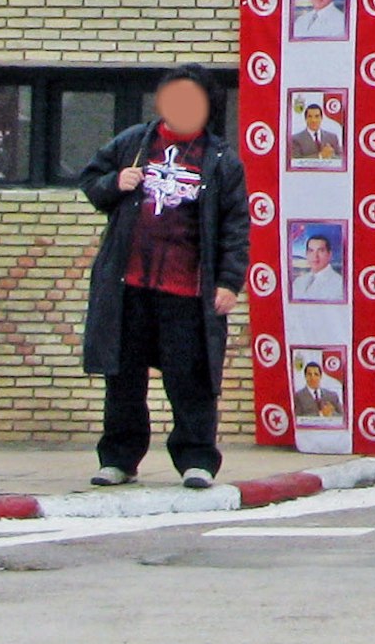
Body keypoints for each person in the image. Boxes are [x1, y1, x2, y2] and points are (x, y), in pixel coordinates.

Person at [76, 63, 247, 490]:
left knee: (190, 379)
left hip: (187, 290)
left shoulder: (221, 159)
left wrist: (228, 282)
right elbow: (91, 181)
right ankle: (119, 458)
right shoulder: (135, 142)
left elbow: (235, 225)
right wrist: (116, 182)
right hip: (129, 285)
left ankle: (197, 459)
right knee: (123, 376)